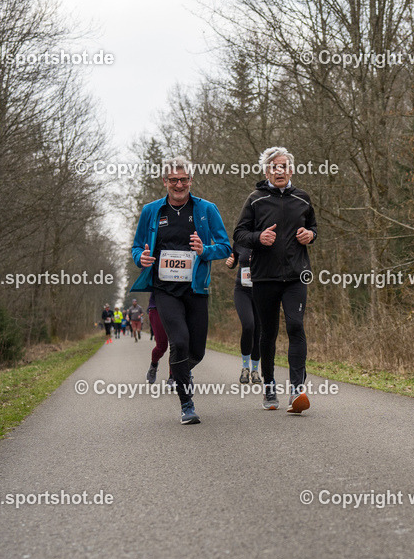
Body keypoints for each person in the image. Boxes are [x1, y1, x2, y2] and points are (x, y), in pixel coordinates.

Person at [130, 157, 231, 425]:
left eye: (183, 179)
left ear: (190, 181)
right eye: (173, 180)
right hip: (165, 289)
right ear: (165, 182)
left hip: (195, 288)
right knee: (180, 342)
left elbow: (225, 246)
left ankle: (180, 370)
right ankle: (187, 404)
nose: (179, 184)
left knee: (196, 352)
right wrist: (141, 258)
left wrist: (204, 250)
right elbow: (137, 247)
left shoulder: (206, 209)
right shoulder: (151, 210)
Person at [234, 146, 317, 413]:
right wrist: (259, 238)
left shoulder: (303, 198)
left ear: (291, 170)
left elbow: (313, 227)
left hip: (295, 276)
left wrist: (310, 235)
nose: (279, 171)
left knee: (295, 326)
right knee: (268, 333)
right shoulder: (255, 199)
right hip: (265, 276)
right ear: (266, 171)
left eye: (283, 166)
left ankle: (296, 390)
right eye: (273, 167)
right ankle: (269, 389)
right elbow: (239, 234)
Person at [226, 244, 261, 384]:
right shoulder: (240, 240)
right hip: (243, 290)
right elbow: (233, 261)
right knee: (248, 325)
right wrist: (230, 263)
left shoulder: (268, 239)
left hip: (261, 291)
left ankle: (255, 370)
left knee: (259, 330)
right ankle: (245, 368)